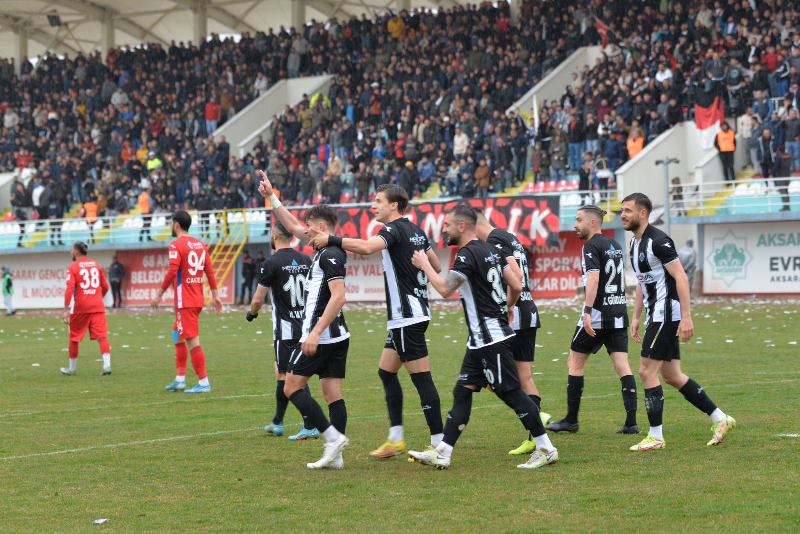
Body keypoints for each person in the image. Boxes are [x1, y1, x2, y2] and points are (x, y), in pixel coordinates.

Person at [407, 205, 559, 470]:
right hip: (480, 340)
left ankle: (546, 447)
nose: (444, 229)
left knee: (512, 393)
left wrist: (424, 266)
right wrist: (509, 307)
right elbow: (517, 284)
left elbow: (444, 289)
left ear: (462, 226)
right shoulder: (492, 249)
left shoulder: (467, 254)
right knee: (462, 391)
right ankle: (443, 451)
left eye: (447, 225)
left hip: (490, 339)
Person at [307, 184, 445, 459]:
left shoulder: (392, 230)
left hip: (407, 317)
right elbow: (436, 266)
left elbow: (368, 247)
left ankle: (440, 445)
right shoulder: (416, 230)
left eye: (378, 201)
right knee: (386, 371)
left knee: (422, 379)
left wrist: (332, 240)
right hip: (406, 317)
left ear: (394, 205)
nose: (373, 206)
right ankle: (396, 439)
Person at [622, 193, 736, 451]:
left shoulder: (659, 241)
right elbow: (642, 282)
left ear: (643, 213)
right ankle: (721, 419)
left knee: (646, 371)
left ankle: (656, 436)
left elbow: (681, 278)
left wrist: (687, 317)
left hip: (667, 314)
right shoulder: (633, 244)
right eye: (622, 210)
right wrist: (637, 316)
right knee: (672, 375)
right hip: (655, 315)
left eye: (628, 210)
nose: (623, 215)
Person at [258, 169, 351, 470]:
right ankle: (335, 456)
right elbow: (291, 224)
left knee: (291, 387)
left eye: (309, 227)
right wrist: (271, 197)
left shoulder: (329, 255)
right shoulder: (324, 248)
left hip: (322, 336)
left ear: (321, 226)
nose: (304, 232)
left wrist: (313, 333)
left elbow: (338, 297)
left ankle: (331, 438)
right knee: (332, 394)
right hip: (336, 335)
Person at [547, 206, 639, 435]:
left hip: (597, 315)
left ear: (593, 223)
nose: (575, 225)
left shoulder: (590, 245)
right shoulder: (615, 245)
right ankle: (631, 423)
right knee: (622, 366)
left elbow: (594, 279)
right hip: (618, 312)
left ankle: (571, 420)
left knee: (574, 363)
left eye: (579, 220)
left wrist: (587, 311)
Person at [472, 208, 552, 456]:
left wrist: (508, 306)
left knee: (487, 377)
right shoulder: (509, 236)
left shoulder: (494, 241)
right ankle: (535, 436)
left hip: (515, 318)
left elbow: (515, 277)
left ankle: (535, 416)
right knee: (522, 378)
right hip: (529, 312)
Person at [247, 220, 320, 441]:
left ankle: (311, 425)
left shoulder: (271, 263)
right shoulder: (305, 259)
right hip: (306, 327)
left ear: (275, 235)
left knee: (291, 377)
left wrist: (251, 314)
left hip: (286, 331)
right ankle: (278, 421)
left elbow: (258, 300)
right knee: (283, 372)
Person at [151, 210, 222, 394]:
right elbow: (210, 272)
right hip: (197, 299)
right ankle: (180, 379)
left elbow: (172, 271)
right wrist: (215, 296)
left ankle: (204, 382)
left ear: (176, 224)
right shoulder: (200, 245)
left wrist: (159, 294)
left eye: (170, 223)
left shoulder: (176, 245)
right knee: (177, 335)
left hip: (186, 302)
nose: (170, 226)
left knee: (192, 342)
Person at [60, 242, 112, 376]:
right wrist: (96, 297)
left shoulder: (72, 267)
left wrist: (65, 310)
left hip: (80, 307)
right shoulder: (96, 265)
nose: (71, 253)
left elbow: (70, 288)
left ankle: (72, 369)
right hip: (97, 306)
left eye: (72, 250)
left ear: (76, 252)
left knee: (74, 338)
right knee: (101, 337)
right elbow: (105, 287)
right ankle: (107, 366)